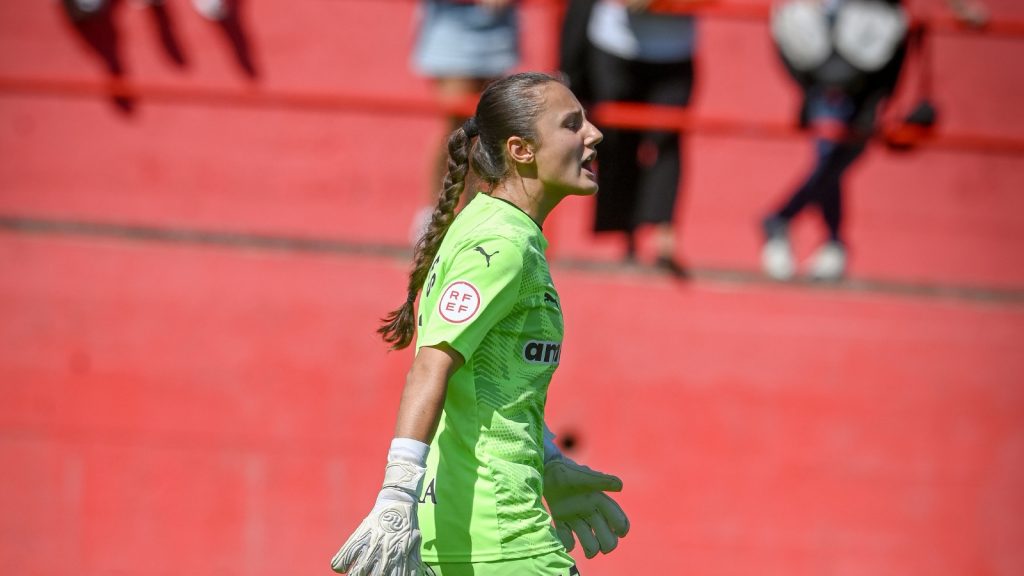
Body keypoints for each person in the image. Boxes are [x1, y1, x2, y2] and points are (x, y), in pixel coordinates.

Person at [330, 73, 630, 576]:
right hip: (507, 543)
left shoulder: (488, 226)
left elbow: (488, 387)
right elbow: (430, 367)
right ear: (521, 149)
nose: (594, 133)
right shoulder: (505, 246)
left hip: (466, 537)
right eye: (572, 124)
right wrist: (394, 497)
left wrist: (547, 460)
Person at [762, 0, 988, 281]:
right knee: (830, 149)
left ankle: (791, 224)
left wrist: (960, 9)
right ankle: (824, 239)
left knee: (846, 150)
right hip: (827, 47)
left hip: (872, 49)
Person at [563, 0, 698, 276]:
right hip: (614, 44)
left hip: (675, 48)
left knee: (667, 141)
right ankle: (626, 234)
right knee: (615, 142)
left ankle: (664, 234)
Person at [408, 0, 521, 243]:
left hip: (497, 33)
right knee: (455, 128)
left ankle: (472, 216)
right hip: (452, 33)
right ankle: (432, 218)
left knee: (486, 132)